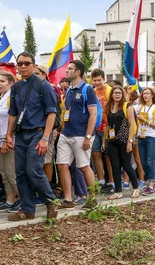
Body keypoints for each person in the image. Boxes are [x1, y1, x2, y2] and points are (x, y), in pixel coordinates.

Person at [6, 52, 58, 221]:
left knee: (34, 170)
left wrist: (45, 137)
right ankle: (28, 209)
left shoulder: (44, 85)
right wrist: (8, 135)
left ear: (34, 65)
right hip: (21, 134)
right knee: (20, 173)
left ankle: (51, 202)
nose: (23, 66)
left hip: (38, 133)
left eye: (27, 63)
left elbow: (51, 113)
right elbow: (12, 113)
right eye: (20, 63)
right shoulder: (16, 86)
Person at [56, 60, 98, 209]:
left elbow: (93, 114)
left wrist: (88, 137)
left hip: (81, 134)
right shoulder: (69, 90)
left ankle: (92, 198)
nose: (66, 71)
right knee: (61, 165)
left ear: (78, 72)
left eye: (70, 69)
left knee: (84, 166)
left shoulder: (87, 89)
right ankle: (68, 199)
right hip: (66, 133)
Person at [102, 86, 140, 199]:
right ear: (112, 95)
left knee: (127, 165)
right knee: (115, 166)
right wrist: (104, 142)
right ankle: (118, 191)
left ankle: (136, 188)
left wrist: (130, 141)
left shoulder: (127, 106)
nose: (117, 95)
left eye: (119, 93)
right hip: (112, 140)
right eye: (115, 93)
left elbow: (132, 124)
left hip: (124, 140)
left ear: (122, 95)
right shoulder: (108, 107)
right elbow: (107, 126)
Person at [0, 70, 20, 212]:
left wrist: (6, 139)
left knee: (12, 173)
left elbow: (13, 120)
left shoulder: (11, 98)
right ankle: (10, 200)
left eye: (2, 81)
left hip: (9, 141)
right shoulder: (0, 97)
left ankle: (22, 199)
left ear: (10, 83)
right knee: (4, 173)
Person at [90, 68, 115, 194]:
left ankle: (111, 181)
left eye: (99, 80)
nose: (97, 83)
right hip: (96, 128)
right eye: (94, 80)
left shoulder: (109, 91)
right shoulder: (92, 92)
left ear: (104, 79)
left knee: (108, 156)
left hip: (108, 127)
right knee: (95, 153)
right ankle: (100, 181)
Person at [136, 87, 155, 195]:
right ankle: (149, 180)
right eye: (144, 94)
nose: (145, 95)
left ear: (152, 95)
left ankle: (151, 184)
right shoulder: (141, 107)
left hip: (151, 137)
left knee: (150, 160)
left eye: (147, 93)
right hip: (141, 136)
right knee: (143, 162)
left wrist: (145, 120)